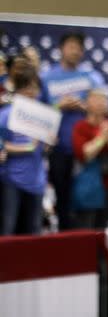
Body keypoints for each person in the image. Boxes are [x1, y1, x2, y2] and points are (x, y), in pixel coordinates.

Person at [41, 32, 104, 229]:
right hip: (58, 148)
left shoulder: (92, 77)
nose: (75, 51)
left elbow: (104, 108)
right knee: (62, 198)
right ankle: (63, 240)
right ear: (61, 49)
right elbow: (37, 111)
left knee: (85, 200)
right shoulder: (46, 77)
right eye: (71, 46)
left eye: (79, 47)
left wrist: (85, 107)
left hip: (87, 151)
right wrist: (59, 105)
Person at [0, 63, 49, 235]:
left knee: (33, 233)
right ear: (18, 89)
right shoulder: (5, 114)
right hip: (11, 181)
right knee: (8, 230)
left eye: (35, 87)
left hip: (37, 182)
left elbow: (45, 149)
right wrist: (28, 147)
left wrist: (48, 143)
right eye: (26, 86)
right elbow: (1, 147)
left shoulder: (44, 116)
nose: (31, 91)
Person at [72, 88, 108, 229]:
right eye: (96, 99)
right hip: (88, 186)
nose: (100, 103)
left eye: (103, 100)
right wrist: (102, 137)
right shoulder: (81, 127)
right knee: (86, 228)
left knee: (104, 229)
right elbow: (85, 154)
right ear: (87, 103)